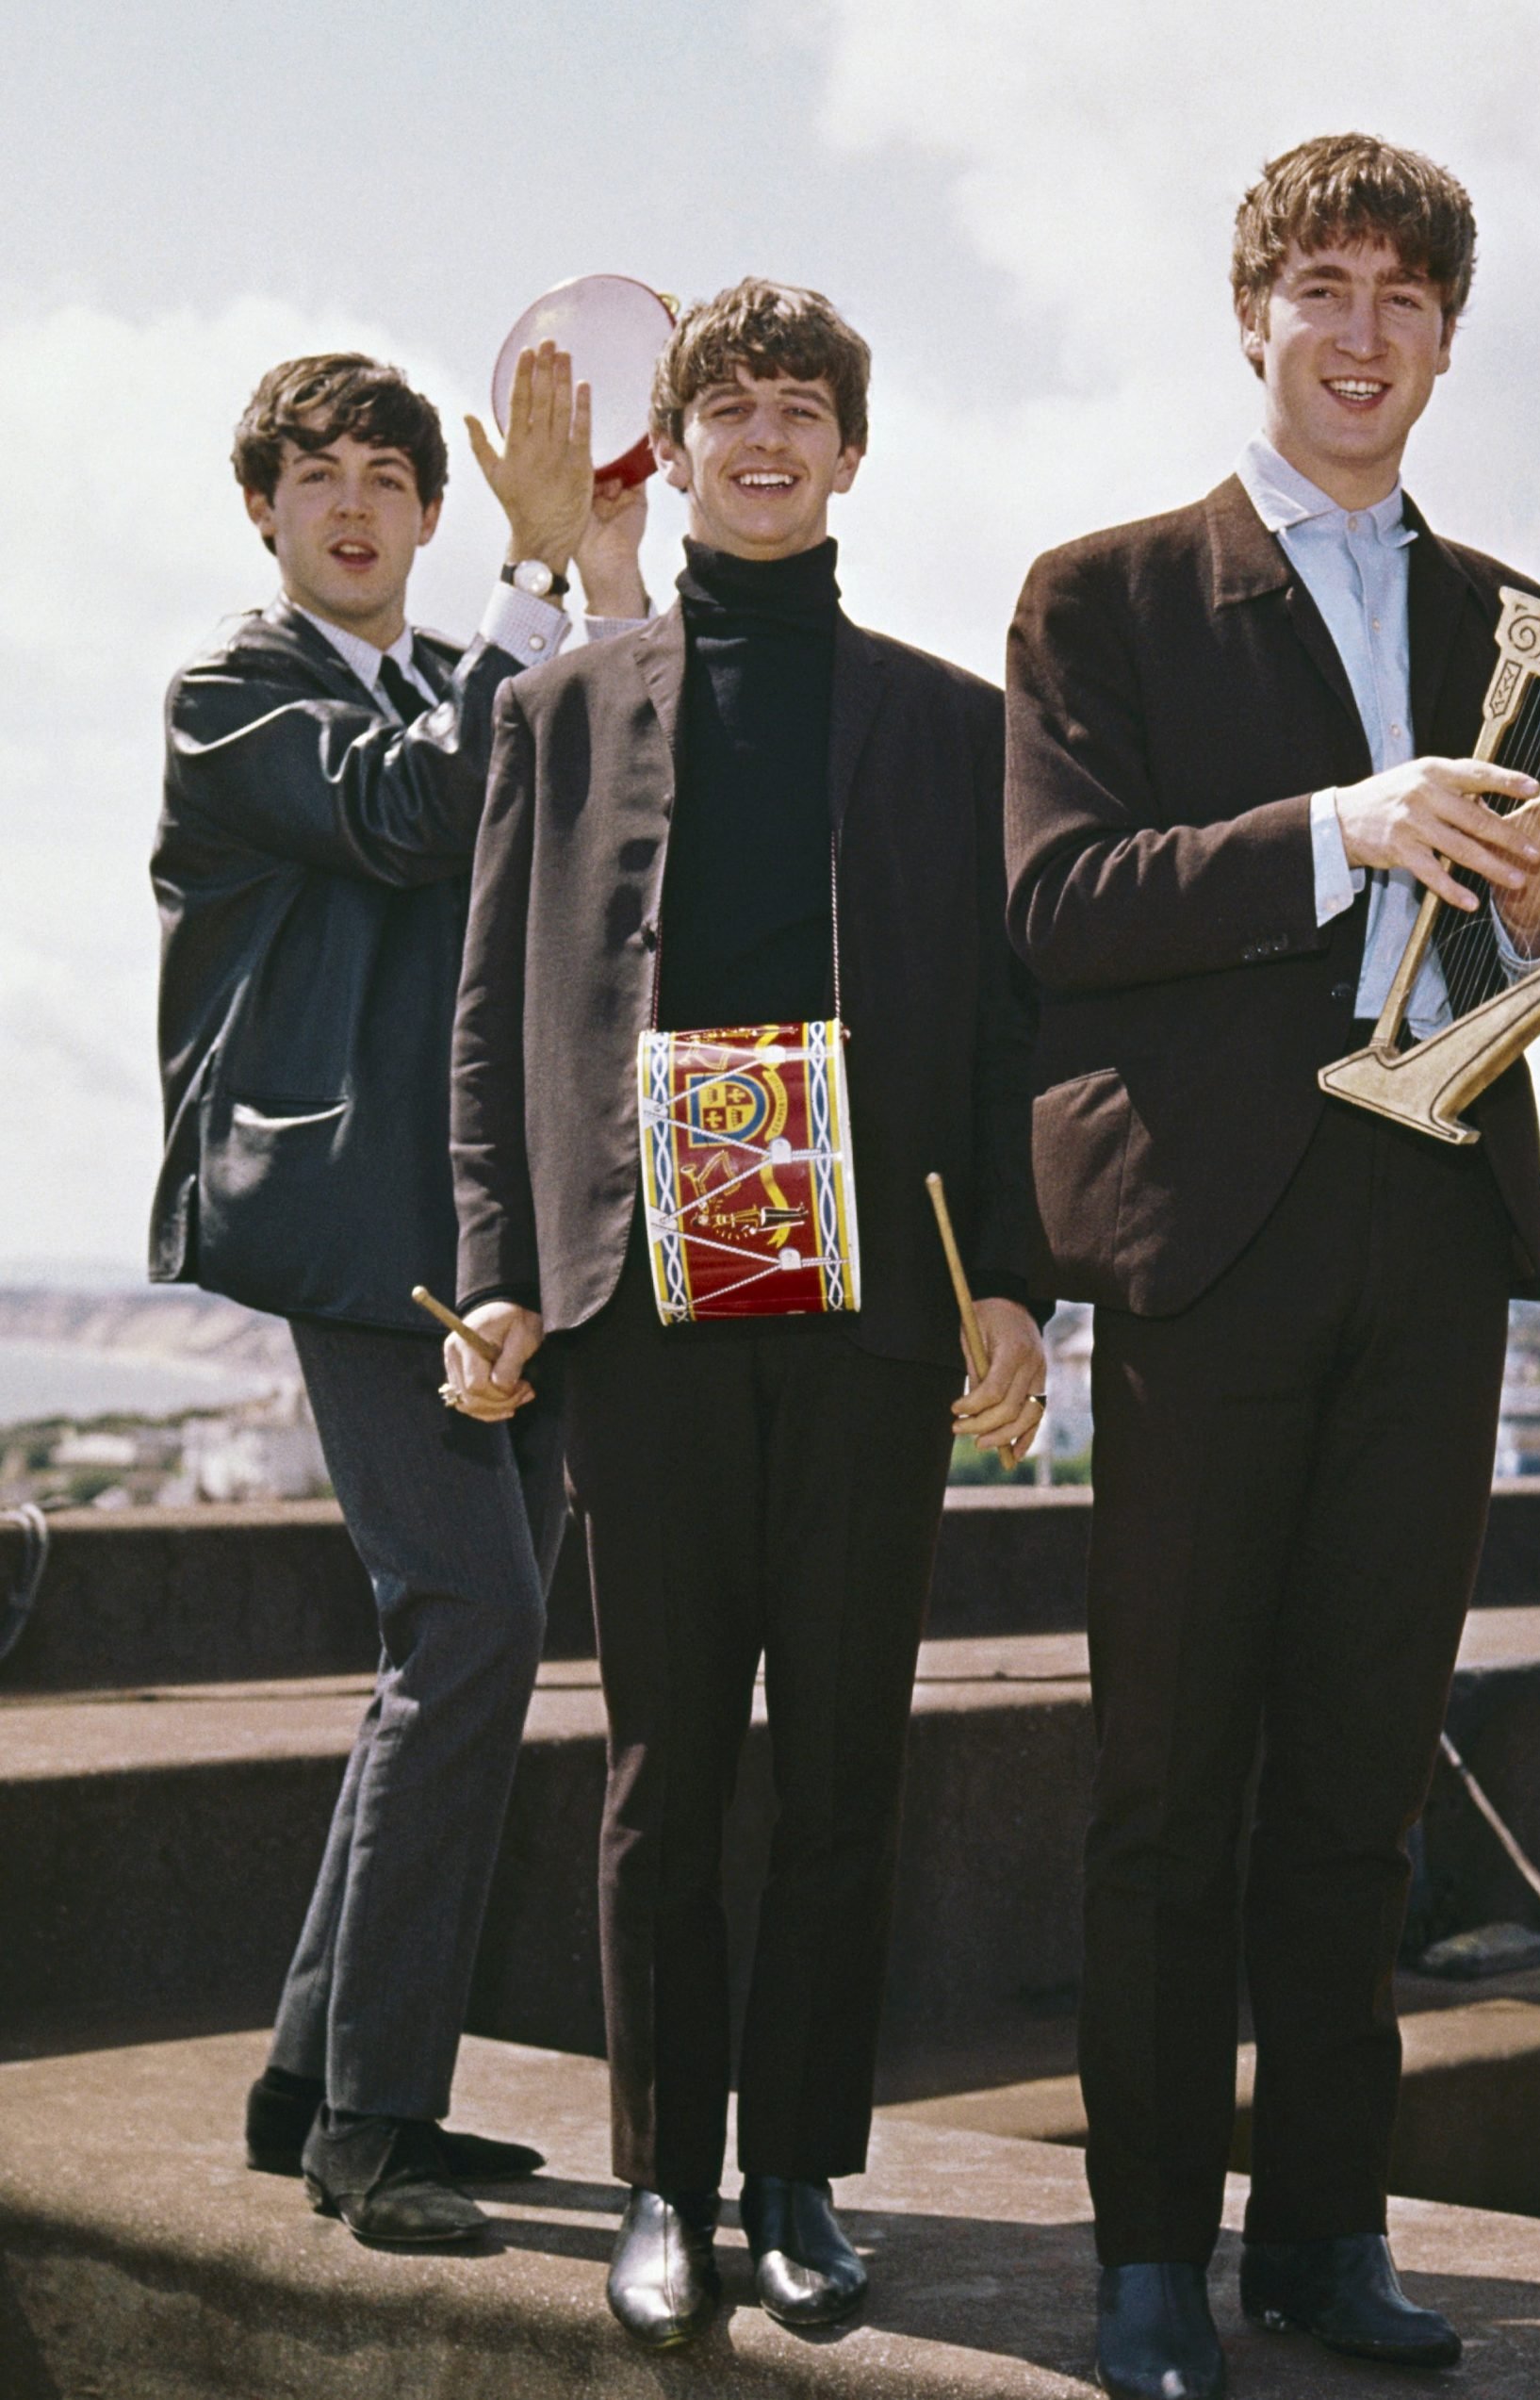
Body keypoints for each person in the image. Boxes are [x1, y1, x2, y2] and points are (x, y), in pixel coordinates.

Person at [1006, 133, 1540, 2400]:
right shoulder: (1098, 597)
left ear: (1449, 338)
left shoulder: (1511, 613)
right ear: (1252, 312)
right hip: (1212, 1242)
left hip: (1433, 1224)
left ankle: (1326, 2237)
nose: (1359, 331)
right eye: (1321, 288)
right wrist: (1326, 835)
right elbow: (1058, 908)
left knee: (1362, 1776)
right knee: (1168, 1779)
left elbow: (1533, 930)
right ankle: (1148, 2260)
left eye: (1400, 297)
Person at [444, 277, 1047, 2353]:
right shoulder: (555, 709)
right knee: (662, 1767)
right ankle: (659, 2188)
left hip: (873, 1303)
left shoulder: (955, 723)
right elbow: (486, 1019)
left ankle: (796, 2181)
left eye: (803, 410)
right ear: (673, 450)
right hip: (641, 1301)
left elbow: (999, 1032)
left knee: (846, 1763)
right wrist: (503, 1263)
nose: (766, 440)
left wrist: (1019, 1291)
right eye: (730, 409)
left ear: (850, 454)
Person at [150, 347, 645, 2244]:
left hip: (499, 1234)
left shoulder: (483, 667)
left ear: (428, 511)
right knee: (469, 1623)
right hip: (353, 1227)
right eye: (313, 473)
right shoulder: (232, 693)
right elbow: (403, 811)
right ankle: (375, 2118)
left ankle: (302, 2079)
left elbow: (626, 794)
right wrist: (531, 582)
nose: (352, 500)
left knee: (446, 1648)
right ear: (263, 509)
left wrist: (602, 569)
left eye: (385, 471)